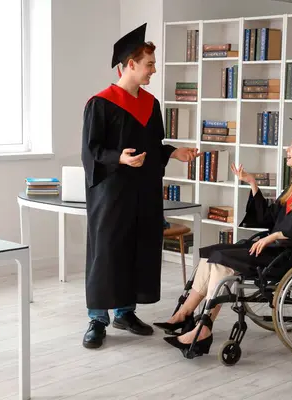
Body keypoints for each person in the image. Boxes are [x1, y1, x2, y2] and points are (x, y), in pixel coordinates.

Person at [154, 118, 292, 357]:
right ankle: (184, 315)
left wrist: (278, 234)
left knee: (223, 260)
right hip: (275, 248)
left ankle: (203, 328)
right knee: (211, 254)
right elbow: (269, 217)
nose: (288, 150)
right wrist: (253, 184)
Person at [81, 23, 201, 349]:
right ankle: (97, 318)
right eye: (149, 64)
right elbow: (91, 152)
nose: (154, 70)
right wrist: (118, 158)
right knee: (107, 253)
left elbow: (155, 146)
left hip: (144, 194)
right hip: (112, 195)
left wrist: (175, 152)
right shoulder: (101, 104)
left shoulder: (151, 105)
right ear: (131, 64)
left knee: (136, 250)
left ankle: (126, 311)